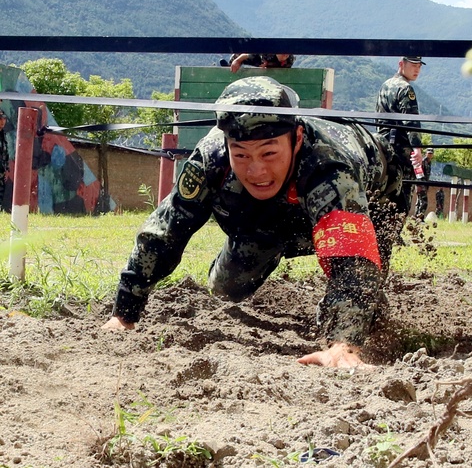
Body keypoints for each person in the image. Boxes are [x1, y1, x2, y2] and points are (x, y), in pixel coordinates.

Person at [101, 76, 402, 370]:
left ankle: (363, 325)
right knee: (226, 288)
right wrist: (124, 314)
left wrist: (343, 346)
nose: (256, 170)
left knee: (365, 289)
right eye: (241, 155)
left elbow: (354, 260)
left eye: (269, 153)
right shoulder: (211, 158)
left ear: (297, 139)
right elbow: (165, 231)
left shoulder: (330, 168)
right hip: (269, 216)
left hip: (376, 196)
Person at [376, 55, 426, 216]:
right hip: (400, 148)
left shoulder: (385, 85)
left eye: (419, 66)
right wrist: (417, 149)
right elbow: (411, 122)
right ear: (401, 64)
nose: (417, 69)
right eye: (413, 65)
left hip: (381, 144)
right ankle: (396, 226)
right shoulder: (406, 89)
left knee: (381, 193)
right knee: (402, 195)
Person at [413, 147, 434, 220]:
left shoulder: (429, 162)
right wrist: (419, 185)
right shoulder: (423, 161)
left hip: (425, 184)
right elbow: (418, 173)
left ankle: (416, 216)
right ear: (426, 153)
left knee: (419, 201)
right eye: (429, 153)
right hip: (421, 184)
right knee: (424, 202)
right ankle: (420, 217)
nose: (430, 155)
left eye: (431, 153)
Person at [221, 53, 296, 73]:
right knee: (233, 67)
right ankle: (228, 66)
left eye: (287, 54)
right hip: (245, 57)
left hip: (268, 67)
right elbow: (245, 55)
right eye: (283, 53)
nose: (286, 55)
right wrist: (237, 61)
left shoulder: (289, 60)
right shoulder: (267, 55)